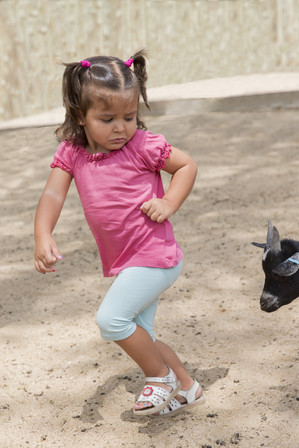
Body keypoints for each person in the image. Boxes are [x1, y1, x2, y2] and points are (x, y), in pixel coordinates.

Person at [34, 50, 204, 416]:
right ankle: (187, 387)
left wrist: (170, 202)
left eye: (129, 117)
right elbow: (52, 193)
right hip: (130, 262)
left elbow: (186, 165)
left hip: (155, 257)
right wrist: (42, 234)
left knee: (111, 320)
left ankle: (159, 378)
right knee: (144, 334)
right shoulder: (73, 153)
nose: (120, 128)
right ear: (80, 116)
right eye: (107, 118)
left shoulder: (142, 145)